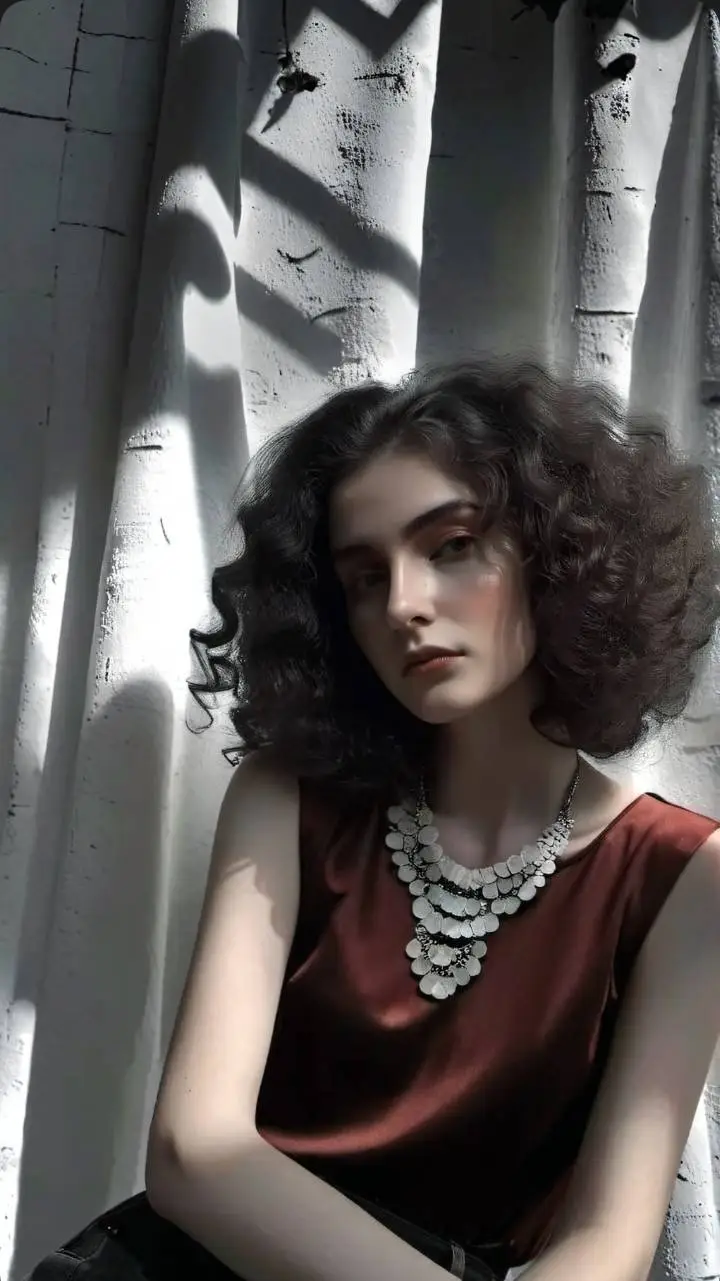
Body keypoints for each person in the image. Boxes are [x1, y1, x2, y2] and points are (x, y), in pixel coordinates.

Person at [49, 360, 720, 1281]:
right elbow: (193, 1153)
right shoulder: (290, 798)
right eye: (365, 578)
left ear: (557, 553)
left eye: (451, 545)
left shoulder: (684, 874)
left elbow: (609, 1246)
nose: (403, 604)